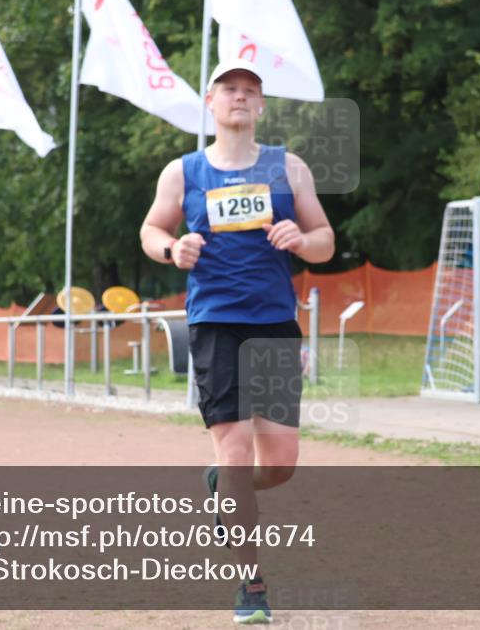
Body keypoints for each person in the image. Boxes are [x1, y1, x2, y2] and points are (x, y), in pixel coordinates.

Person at [140, 59, 335, 624]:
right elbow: (152, 230)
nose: (240, 97)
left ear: (262, 106)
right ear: (211, 102)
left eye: (251, 90)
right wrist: (172, 249)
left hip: (274, 322)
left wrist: (302, 238)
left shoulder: (288, 168)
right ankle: (252, 586)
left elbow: (325, 241)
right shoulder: (183, 172)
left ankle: (223, 488)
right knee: (234, 448)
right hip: (216, 322)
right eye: (230, 88)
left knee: (280, 464)